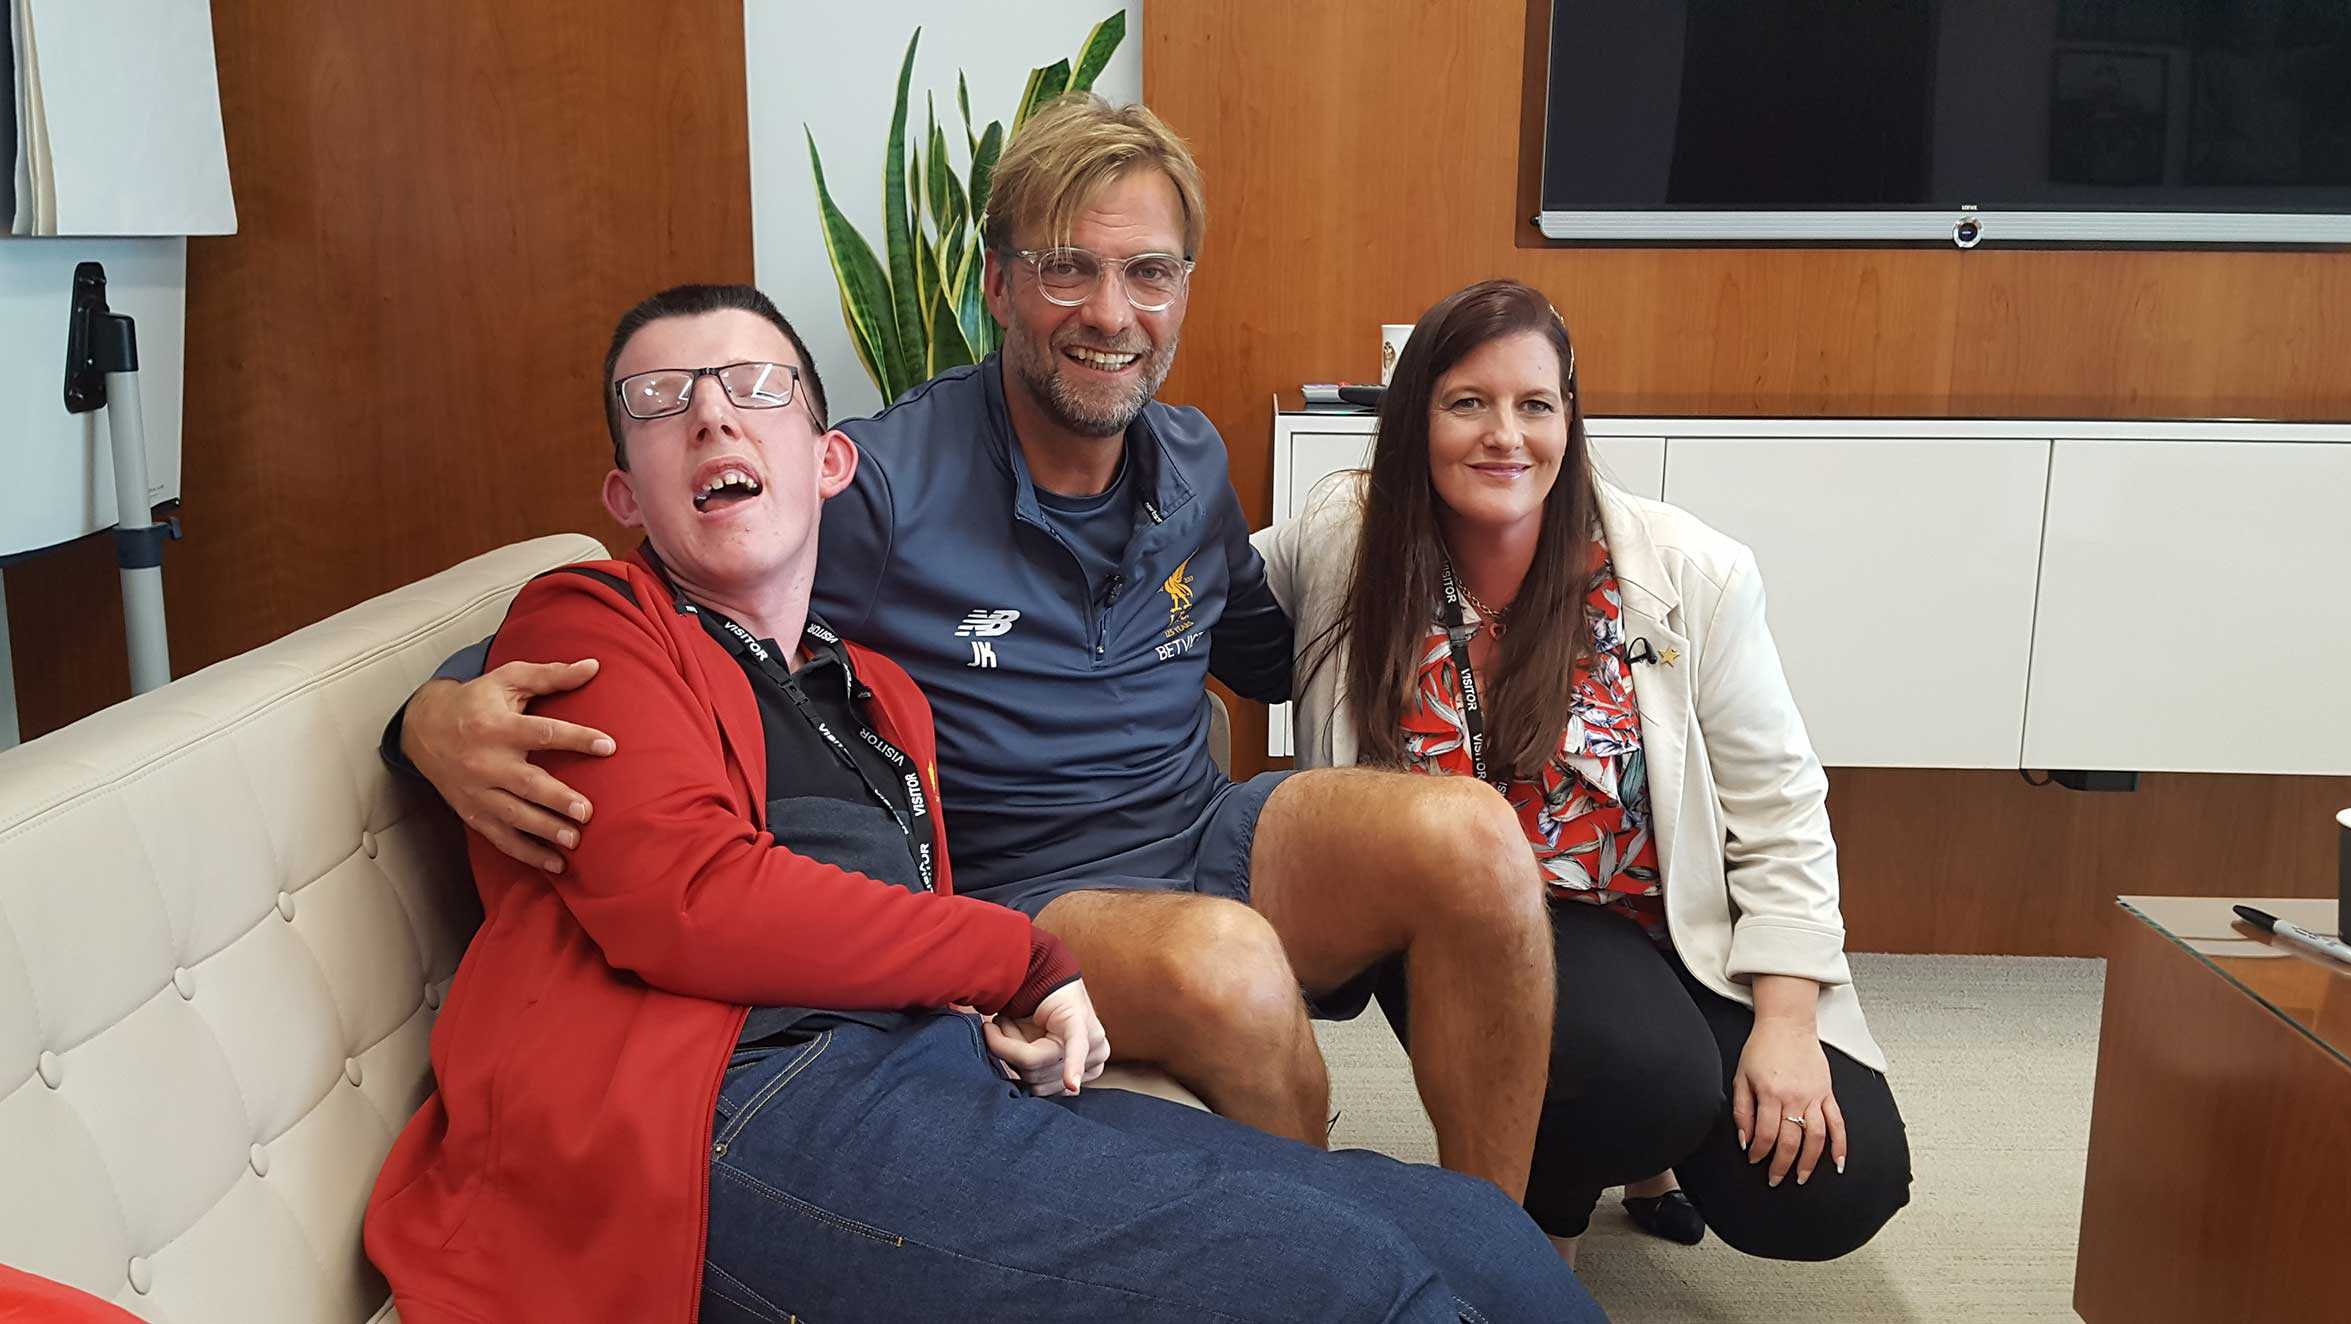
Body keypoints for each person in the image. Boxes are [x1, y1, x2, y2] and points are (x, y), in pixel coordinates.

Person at [387, 96, 1559, 1201]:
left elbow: (1264, 646)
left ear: (1181, 290)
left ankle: (1495, 1248)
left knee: (1470, 835)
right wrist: (436, 710)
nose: (1111, 312)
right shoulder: (882, 483)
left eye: (1147, 272)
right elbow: (677, 584)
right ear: (997, 284)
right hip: (1025, 887)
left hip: (1209, 829)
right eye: (1067, 268)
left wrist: (1461, 575)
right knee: (1229, 966)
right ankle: (1328, 1271)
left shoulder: (1192, 457)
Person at [1254, 278, 1913, 1263]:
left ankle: (1632, 1139)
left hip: (1663, 918)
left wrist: (1784, 1018)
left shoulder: (1686, 569)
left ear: (1570, 415)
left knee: (1829, 1183)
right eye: (1465, 402)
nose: (1502, 436)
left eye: (1534, 404)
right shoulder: (1345, 538)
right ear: (1414, 420)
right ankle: (1542, 1220)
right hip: (1461, 923)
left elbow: (1778, 804)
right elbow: (1191, 595)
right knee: (1636, 1077)